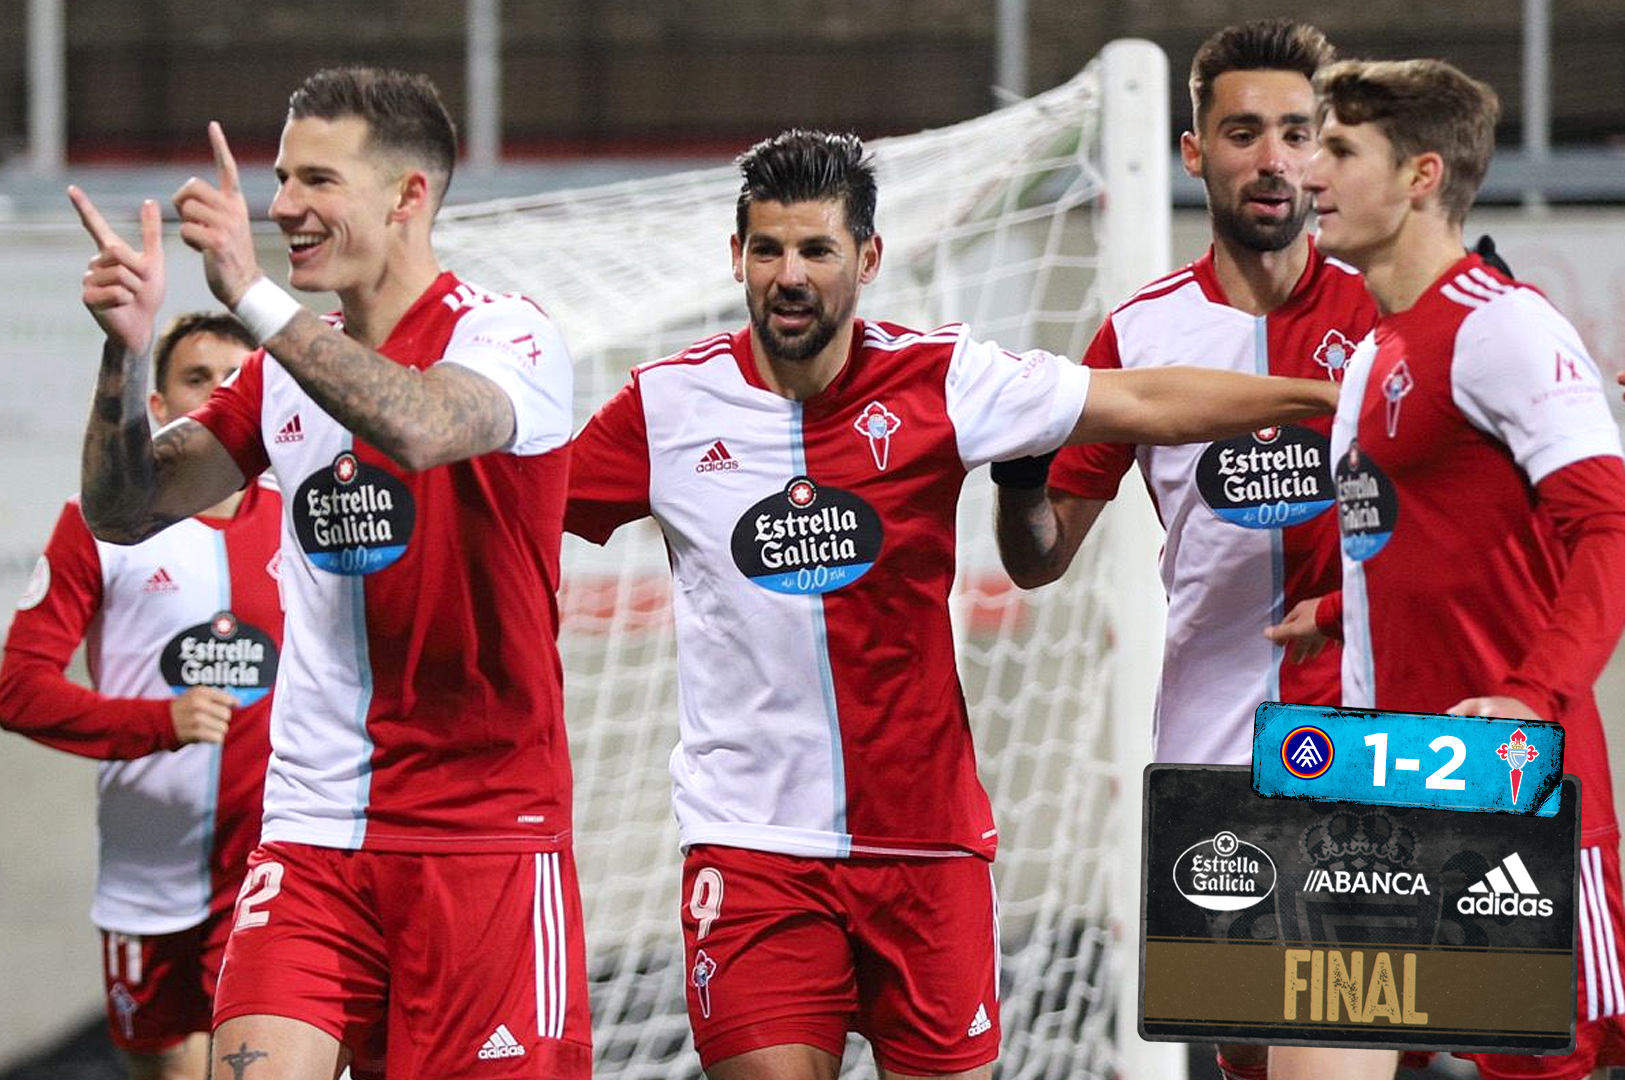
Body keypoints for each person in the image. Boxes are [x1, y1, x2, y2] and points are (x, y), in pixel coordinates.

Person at [565, 129, 1338, 1080]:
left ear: (870, 258)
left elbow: (1139, 401)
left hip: (925, 848)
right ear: (738, 258)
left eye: (817, 250)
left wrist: (1327, 396)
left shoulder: (946, 378)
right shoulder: (664, 408)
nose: (790, 275)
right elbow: (515, 511)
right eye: (768, 250)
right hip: (753, 845)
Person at [67, 66, 587, 1080]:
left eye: (317, 180)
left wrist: (251, 297)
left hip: (481, 838)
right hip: (311, 838)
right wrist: (124, 360)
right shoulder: (277, 374)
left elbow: (423, 425)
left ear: (409, 197)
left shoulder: (509, 335)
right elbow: (124, 510)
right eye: (279, 178)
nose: (283, 207)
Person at [990, 24, 1391, 1080]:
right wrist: (1021, 474)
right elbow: (1040, 558)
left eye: (1298, 134)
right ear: (1193, 152)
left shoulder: (1392, 318)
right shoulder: (1137, 336)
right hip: (1213, 767)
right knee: (1254, 1065)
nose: (1273, 158)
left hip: (1376, 753)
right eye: (1244, 131)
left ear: (1326, 150)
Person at [1271, 57, 1625, 1080]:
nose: (1310, 173)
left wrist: (1532, 695)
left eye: (1339, 150)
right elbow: (1439, 532)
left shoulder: (1501, 325)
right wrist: (1341, 609)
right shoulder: (1380, 344)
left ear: (1423, 175)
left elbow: (1605, 529)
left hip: (1503, 790)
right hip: (1376, 786)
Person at [0, 312, 279, 1080]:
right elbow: (20, 693)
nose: (221, 394)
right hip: (145, 880)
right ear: (158, 408)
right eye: (198, 378)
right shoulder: (97, 525)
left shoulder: (304, 528)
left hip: (269, 876)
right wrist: (162, 723)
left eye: (238, 379)